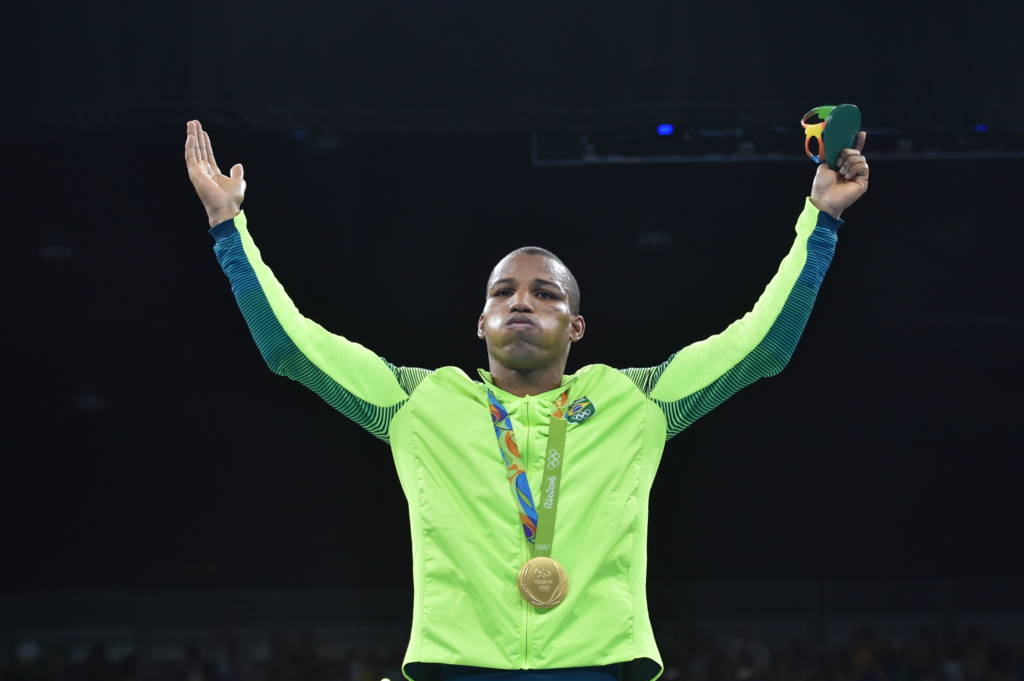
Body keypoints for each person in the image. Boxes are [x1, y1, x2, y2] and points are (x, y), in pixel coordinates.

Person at [184, 119, 870, 681]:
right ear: (479, 322)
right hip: (460, 666)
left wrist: (822, 219)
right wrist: (227, 228)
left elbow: (761, 345)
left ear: (575, 327)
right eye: (503, 292)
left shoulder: (636, 401)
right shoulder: (418, 402)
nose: (521, 301)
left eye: (546, 294)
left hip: (597, 665)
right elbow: (291, 346)